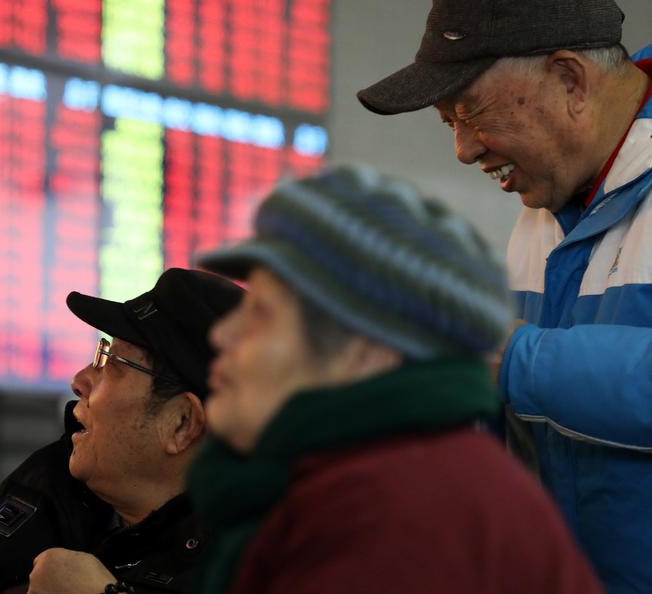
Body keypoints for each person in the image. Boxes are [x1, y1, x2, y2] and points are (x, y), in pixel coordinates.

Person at [186, 164, 603, 594]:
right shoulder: (370, 476)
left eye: (262, 315)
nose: (222, 334)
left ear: (366, 351)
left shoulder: (398, 516)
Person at [357, 1, 652, 592]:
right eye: (448, 122)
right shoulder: (547, 200)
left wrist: (512, 359)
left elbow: (516, 362)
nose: (463, 150)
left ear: (570, 80)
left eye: (470, 113)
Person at [0, 268, 243, 594]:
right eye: (101, 352)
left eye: (112, 363)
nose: (79, 380)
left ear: (181, 424)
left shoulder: (261, 559)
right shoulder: (52, 489)